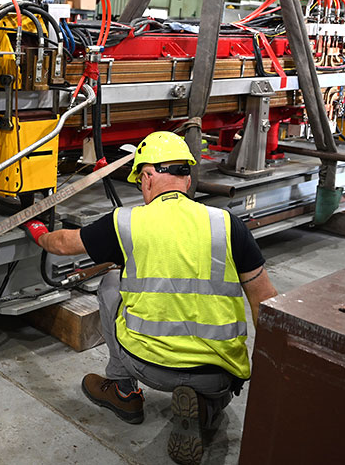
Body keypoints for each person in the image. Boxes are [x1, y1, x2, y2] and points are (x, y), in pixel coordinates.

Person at [22, 131, 277, 465]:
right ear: (186, 178)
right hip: (216, 372)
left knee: (112, 283)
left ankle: (125, 393)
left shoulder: (127, 223)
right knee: (213, 390)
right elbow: (267, 304)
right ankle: (205, 407)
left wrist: (38, 232)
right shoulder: (228, 225)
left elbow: (64, 244)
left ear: (148, 176)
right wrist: (276, 382)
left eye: (141, 178)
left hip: (146, 364)